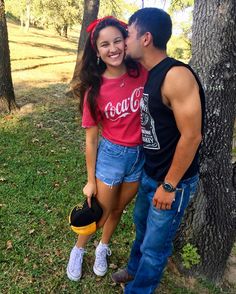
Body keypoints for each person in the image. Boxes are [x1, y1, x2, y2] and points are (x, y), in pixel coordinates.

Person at [112, 7, 205, 293]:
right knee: (142, 228)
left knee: (156, 246)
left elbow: (192, 137)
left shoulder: (176, 76)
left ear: (146, 38)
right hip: (151, 173)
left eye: (128, 33)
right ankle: (133, 269)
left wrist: (169, 184)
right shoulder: (150, 72)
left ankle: (139, 290)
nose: (123, 40)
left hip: (171, 182)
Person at [66, 16, 147, 282]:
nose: (112, 48)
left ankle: (103, 247)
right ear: (97, 51)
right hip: (112, 156)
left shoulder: (142, 74)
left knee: (117, 210)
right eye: (104, 44)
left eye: (117, 41)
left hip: (139, 156)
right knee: (98, 212)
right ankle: (78, 250)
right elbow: (91, 139)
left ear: (126, 42)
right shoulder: (95, 89)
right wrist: (90, 181)